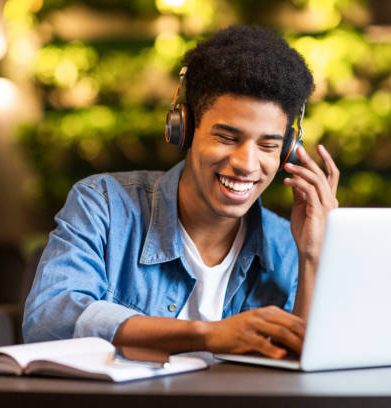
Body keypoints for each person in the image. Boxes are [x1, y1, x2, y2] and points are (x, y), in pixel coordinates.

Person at [23, 25, 339, 359]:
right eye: (227, 138)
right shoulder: (103, 205)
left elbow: (306, 369)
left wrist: (314, 254)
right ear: (184, 130)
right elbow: (48, 321)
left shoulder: (287, 244)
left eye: (268, 145)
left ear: (287, 150)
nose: (247, 164)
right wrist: (207, 335)